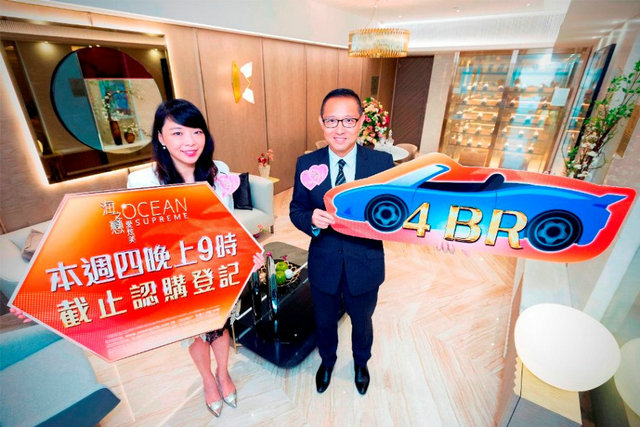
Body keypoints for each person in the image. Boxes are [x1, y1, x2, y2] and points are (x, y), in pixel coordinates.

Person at [128, 98, 263, 417]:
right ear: (160, 137)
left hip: (216, 269)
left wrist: (247, 252)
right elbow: (137, 239)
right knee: (194, 333)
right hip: (177, 274)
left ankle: (223, 373)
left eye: (196, 132)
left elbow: (228, 222)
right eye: (177, 133)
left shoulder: (220, 171)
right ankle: (207, 380)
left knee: (220, 325)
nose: (189, 141)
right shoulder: (143, 182)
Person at [289, 88, 394, 395]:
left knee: (362, 321)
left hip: (366, 261)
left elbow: (397, 212)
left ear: (360, 122)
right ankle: (327, 361)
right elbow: (296, 209)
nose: (340, 129)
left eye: (348, 120)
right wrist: (311, 219)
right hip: (324, 261)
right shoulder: (306, 163)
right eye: (331, 121)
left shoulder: (382, 163)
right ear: (321, 122)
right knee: (324, 320)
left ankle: (361, 363)